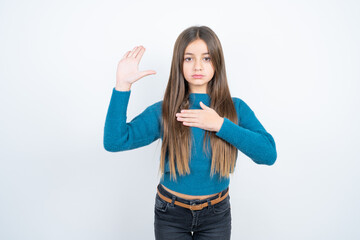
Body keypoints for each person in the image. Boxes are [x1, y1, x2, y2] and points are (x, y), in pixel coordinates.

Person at [103, 25, 277, 240]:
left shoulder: (236, 108)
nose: (197, 66)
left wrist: (220, 125)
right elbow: (115, 141)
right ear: (179, 63)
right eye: (188, 58)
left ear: (217, 63)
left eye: (206, 58)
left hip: (216, 215)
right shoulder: (165, 109)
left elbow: (268, 155)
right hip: (171, 214)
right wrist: (122, 86)